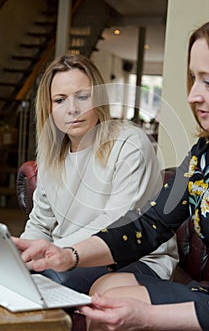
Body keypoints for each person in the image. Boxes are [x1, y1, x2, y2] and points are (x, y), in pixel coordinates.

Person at [19, 53, 178, 294]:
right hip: (69, 257)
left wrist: (52, 253)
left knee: (46, 283)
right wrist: (24, 255)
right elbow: (40, 223)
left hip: (135, 260)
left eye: (83, 97)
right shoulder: (51, 156)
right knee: (16, 279)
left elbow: (116, 223)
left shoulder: (130, 143)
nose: (72, 109)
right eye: (60, 100)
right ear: (49, 108)